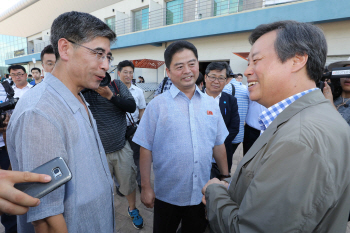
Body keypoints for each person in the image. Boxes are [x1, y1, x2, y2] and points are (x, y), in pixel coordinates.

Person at [202, 20, 350, 233]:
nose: (248, 71)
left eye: (256, 60)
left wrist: (215, 192)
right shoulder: (311, 117)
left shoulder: (299, 140)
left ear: (297, 60)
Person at [7, 11, 116, 233]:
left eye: (108, 56)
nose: (105, 65)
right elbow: (45, 217)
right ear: (65, 48)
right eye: (98, 53)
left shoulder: (77, 94)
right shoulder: (40, 112)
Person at [133, 40, 230, 233]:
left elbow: (219, 144)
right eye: (179, 66)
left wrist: (225, 177)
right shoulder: (157, 106)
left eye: (191, 64)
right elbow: (145, 148)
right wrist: (145, 187)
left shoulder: (211, 104)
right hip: (167, 194)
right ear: (168, 72)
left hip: (201, 194)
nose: (187, 70)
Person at [82, 65, 144, 228]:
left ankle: (132, 209)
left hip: (121, 146)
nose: (100, 76)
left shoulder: (116, 85)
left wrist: (111, 96)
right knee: (99, 189)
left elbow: (131, 106)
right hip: (96, 151)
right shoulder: (85, 89)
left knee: (129, 182)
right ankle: (103, 214)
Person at [204, 62, 239, 177]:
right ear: (205, 77)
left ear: (226, 81)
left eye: (221, 78)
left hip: (223, 154)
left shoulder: (230, 100)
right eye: (212, 77)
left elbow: (234, 127)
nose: (216, 81)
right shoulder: (194, 99)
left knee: (220, 185)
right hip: (200, 155)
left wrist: (219, 146)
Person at [118, 60, 146, 193]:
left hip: (134, 129)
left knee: (138, 158)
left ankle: (141, 183)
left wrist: (141, 129)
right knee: (119, 160)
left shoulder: (138, 91)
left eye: (130, 72)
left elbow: (142, 110)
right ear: (119, 73)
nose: (128, 75)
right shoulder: (112, 91)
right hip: (117, 131)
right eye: (125, 72)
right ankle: (120, 186)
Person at [222, 68, 249, 162]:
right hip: (239, 133)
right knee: (228, 157)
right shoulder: (245, 88)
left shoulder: (227, 88)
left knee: (223, 160)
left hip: (228, 134)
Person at [323, 59, 350, 126]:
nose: (348, 77)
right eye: (345, 71)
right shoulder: (327, 96)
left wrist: (330, 104)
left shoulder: (329, 99)